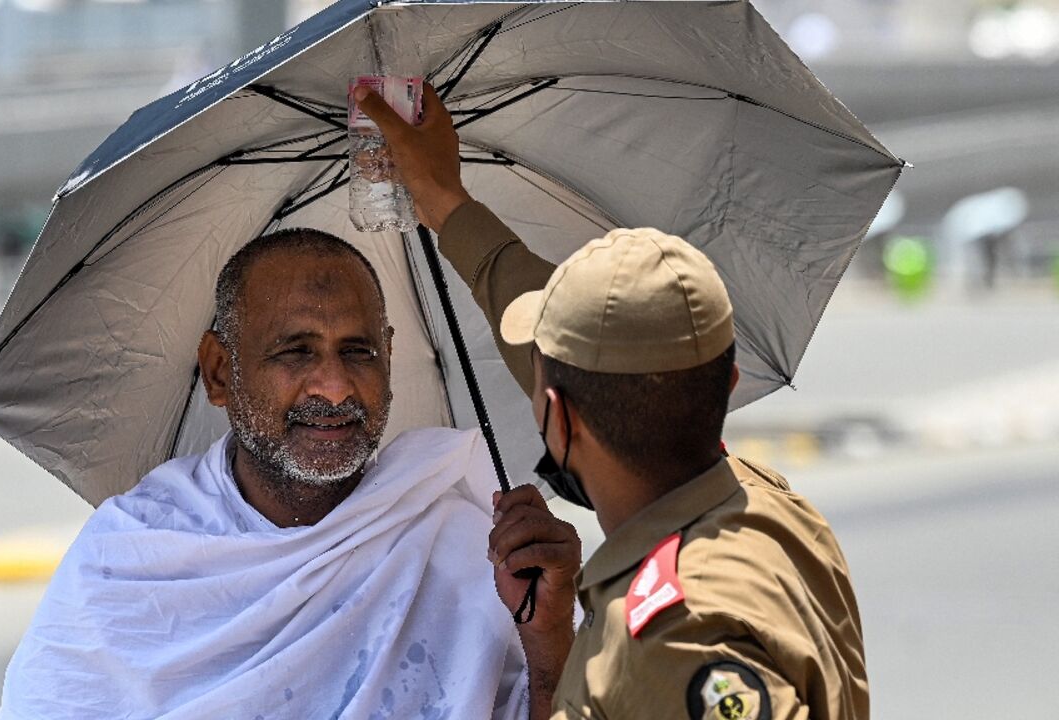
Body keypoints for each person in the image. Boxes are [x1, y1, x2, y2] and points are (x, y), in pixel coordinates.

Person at [356, 83, 868, 719]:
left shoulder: (678, 636)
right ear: (727, 384)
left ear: (561, 417)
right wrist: (445, 203)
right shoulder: (766, 504)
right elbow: (599, 355)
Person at [0, 229, 529, 719]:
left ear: (388, 358)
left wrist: (547, 640)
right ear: (220, 371)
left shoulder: (464, 546)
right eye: (296, 352)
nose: (336, 387)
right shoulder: (132, 557)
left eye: (358, 352)